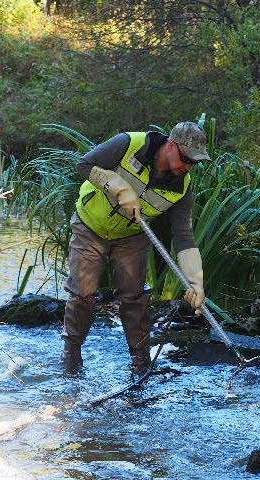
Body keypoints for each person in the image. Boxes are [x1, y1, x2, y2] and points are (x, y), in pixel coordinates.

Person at [61, 121, 210, 375]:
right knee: (83, 294)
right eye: (186, 159)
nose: (188, 167)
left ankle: (141, 364)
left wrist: (196, 282)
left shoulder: (182, 189)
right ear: (171, 146)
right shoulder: (129, 144)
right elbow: (83, 164)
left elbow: (184, 237)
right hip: (90, 225)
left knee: (134, 298)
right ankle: (71, 357)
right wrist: (116, 185)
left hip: (131, 236)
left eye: (194, 163)